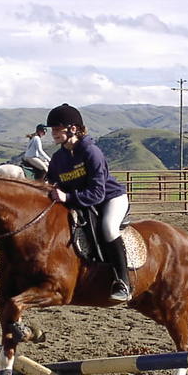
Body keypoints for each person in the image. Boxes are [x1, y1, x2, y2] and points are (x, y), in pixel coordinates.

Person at [45, 103, 132, 302]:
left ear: (73, 129)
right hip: (81, 201)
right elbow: (51, 182)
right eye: (53, 129)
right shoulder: (58, 158)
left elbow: (97, 193)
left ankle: (123, 282)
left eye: (57, 129)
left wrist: (68, 198)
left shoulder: (91, 152)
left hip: (109, 198)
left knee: (108, 228)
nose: (53, 133)